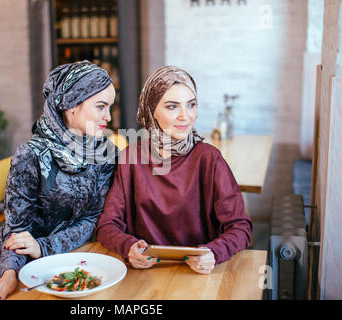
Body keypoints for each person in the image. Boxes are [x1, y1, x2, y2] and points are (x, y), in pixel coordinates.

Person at [0, 61, 118, 300]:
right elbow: (17, 231)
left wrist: (44, 246)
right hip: (20, 263)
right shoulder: (31, 155)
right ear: (71, 105)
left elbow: (94, 217)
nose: (108, 116)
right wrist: (10, 271)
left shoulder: (106, 152)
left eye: (110, 107)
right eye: (101, 107)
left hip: (73, 259)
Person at [95, 66, 252, 274]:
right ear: (151, 111)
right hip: (144, 278)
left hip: (198, 276)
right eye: (172, 107)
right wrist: (128, 247)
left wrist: (214, 252)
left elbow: (241, 227)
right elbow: (107, 226)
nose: (185, 117)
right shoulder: (131, 157)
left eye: (191, 105)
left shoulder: (208, 158)